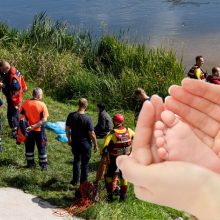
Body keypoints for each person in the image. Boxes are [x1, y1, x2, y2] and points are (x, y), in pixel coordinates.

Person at [117, 79, 220, 220]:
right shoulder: (145, 102)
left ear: (140, 95)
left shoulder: (146, 103)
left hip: (152, 129)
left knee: (149, 139)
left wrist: (202, 198)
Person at [100, 113, 134, 202]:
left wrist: (103, 157)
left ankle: (110, 197)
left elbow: (104, 147)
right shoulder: (129, 131)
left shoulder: (112, 134)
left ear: (114, 122)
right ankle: (123, 197)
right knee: (124, 177)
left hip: (114, 159)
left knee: (108, 176)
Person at [66, 98, 98, 186]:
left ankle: (74, 181)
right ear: (86, 105)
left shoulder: (71, 115)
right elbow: (92, 133)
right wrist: (95, 144)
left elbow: (67, 129)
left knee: (76, 160)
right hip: (85, 144)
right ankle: (83, 183)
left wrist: (69, 139)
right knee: (85, 163)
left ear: (78, 104)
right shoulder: (88, 119)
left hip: (75, 142)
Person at [20, 88, 49, 170]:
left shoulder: (25, 103)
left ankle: (30, 163)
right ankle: (43, 165)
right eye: (42, 94)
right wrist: (34, 126)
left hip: (28, 130)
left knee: (29, 147)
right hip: (39, 130)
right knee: (41, 147)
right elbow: (44, 120)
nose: (42, 96)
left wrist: (28, 125)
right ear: (39, 95)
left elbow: (20, 116)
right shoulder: (42, 105)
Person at [0, 60, 27, 138]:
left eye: (2, 70)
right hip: (15, 98)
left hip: (15, 99)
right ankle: (19, 131)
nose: (2, 71)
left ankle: (16, 134)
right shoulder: (12, 70)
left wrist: (3, 85)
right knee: (15, 115)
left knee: (12, 116)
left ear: (6, 67)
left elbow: (16, 87)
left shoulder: (13, 76)